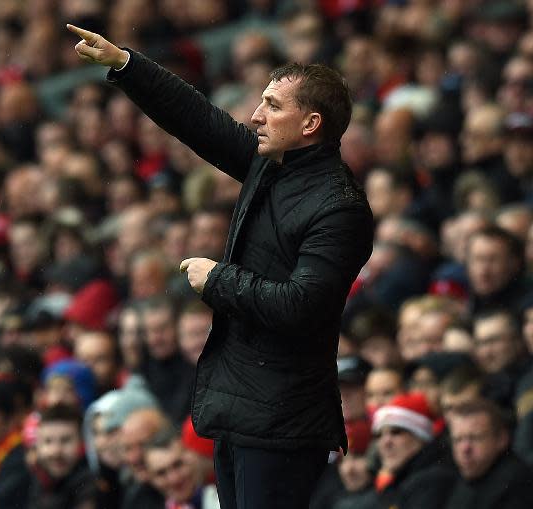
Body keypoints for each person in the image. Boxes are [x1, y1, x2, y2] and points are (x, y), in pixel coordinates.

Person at [66, 22, 374, 508]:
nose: (255, 116)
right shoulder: (270, 166)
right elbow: (198, 121)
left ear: (310, 124)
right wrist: (127, 64)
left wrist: (218, 280)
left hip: (283, 422)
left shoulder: (339, 207)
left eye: (272, 106)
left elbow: (302, 307)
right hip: (243, 409)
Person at [445, 398, 533, 509]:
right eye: (457, 439)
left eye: (475, 438)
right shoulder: (457, 476)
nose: (465, 448)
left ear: (502, 439)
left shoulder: (518, 485)